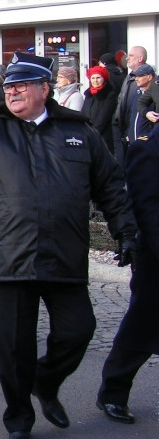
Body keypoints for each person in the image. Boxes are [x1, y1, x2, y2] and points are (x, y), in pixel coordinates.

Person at [0, 52, 137, 439]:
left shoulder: (79, 132)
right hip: (8, 257)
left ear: (44, 89)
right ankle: (19, 417)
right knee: (14, 347)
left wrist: (125, 232)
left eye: (21, 85)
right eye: (8, 85)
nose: (11, 91)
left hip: (64, 254)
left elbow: (110, 185)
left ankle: (45, 383)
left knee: (79, 330)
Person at [96, 131, 158, 424]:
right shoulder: (148, 148)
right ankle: (114, 392)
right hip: (156, 257)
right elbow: (146, 208)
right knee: (143, 327)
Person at [112, 45, 148, 163]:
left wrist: (131, 131)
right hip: (123, 128)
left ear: (140, 58)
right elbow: (121, 99)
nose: (127, 58)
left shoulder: (147, 81)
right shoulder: (129, 77)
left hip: (136, 133)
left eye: (131, 56)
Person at [80, 65, 117, 144]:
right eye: (93, 78)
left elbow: (103, 118)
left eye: (98, 78)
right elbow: (83, 114)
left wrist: (92, 134)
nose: (95, 81)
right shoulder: (88, 95)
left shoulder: (109, 95)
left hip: (103, 137)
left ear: (104, 79)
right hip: (88, 135)